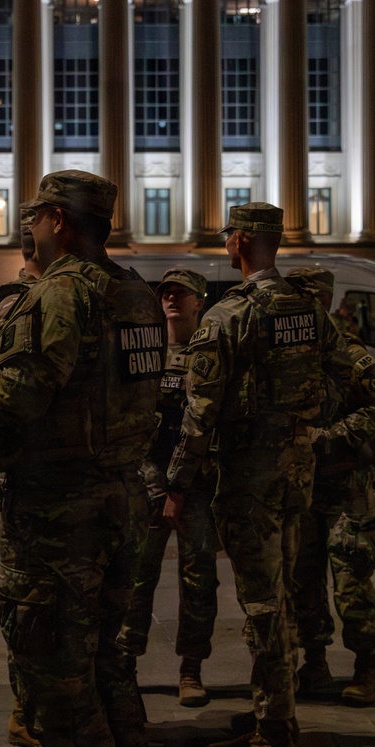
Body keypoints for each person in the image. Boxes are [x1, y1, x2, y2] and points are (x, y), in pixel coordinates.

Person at [0, 169, 164, 747]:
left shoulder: (59, 293)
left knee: (56, 676)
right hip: (119, 506)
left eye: (35, 218)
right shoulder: (138, 295)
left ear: (58, 221)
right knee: (109, 660)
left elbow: (13, 399)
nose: (29, 230)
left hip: (57, 516)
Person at [164, 202, 348, 747]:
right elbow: (343, 379)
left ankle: (275, 726)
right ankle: (277, 707)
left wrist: (178, 481)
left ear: (240, 241)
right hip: (297, 471)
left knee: (262, 601)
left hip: (248, 475)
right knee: (285, 589)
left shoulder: (230, 314)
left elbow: (201, 408)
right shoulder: (309, 311)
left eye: (227, 235)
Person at [119, 268, 219, 706]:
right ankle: (124, 661)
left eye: (182, 293)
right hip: (150, 479)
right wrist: (151, 480)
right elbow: (131, 418)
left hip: (198, 481)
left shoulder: (211, 351)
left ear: (200, 301)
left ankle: (191, 668)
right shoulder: (147, 350)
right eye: (167, 292)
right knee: (138, 575)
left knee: (199, 576)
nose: (172, 298)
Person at [290, 274, 375, 705]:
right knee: (303, 580)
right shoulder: (289, 358)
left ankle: (367, 667)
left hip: (347, 487)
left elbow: (373, 417)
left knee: (350, 580)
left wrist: (320, 436)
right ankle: (315, 662)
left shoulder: (353, 358)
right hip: (304, 489)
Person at [0, 205, 46, 747]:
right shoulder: (18, 303)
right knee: (27, 599)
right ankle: (26, 708)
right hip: (30, 478)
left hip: (64, 478)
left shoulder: (64, 295)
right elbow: (2, 398)